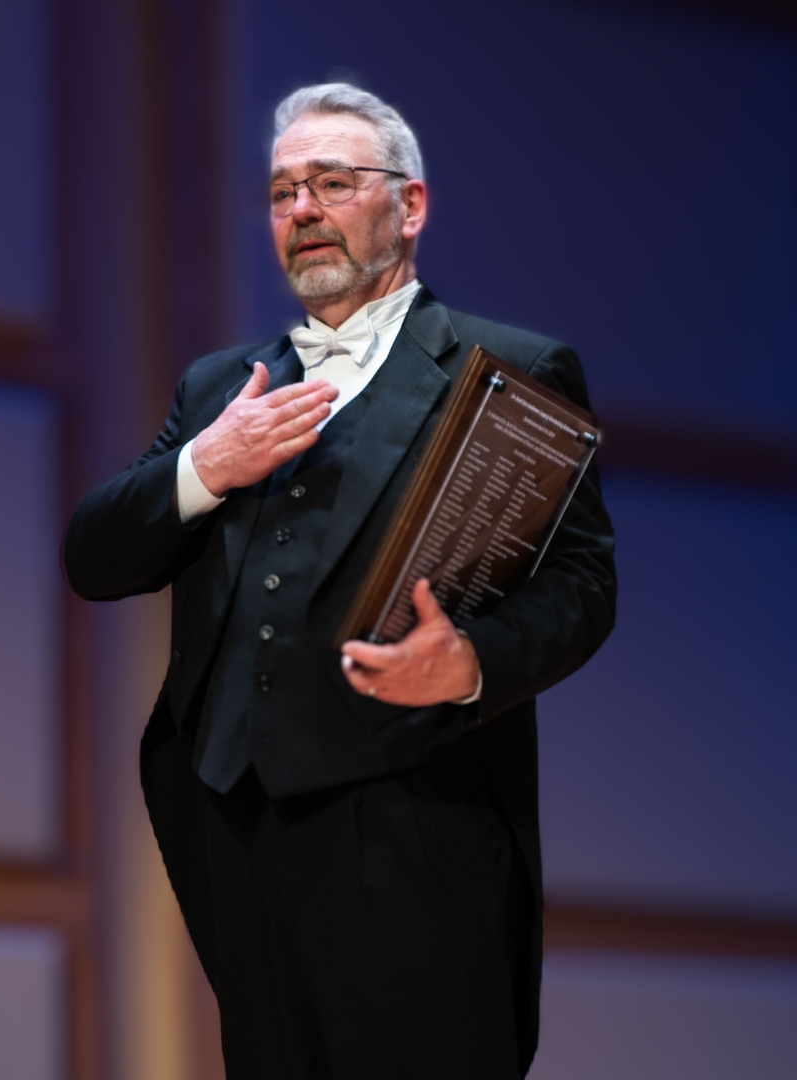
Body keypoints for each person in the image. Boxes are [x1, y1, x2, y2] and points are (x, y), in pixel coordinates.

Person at [64, 83, 615, 1080]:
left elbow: (581, 589)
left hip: (414, 825)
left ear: (409, 206)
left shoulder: (510, 367)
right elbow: (95, 560)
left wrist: (470, 666)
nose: (303, 209)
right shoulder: (217, 387)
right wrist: (205, 468)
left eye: (331, 182)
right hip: (238, 821)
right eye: (282, 192)